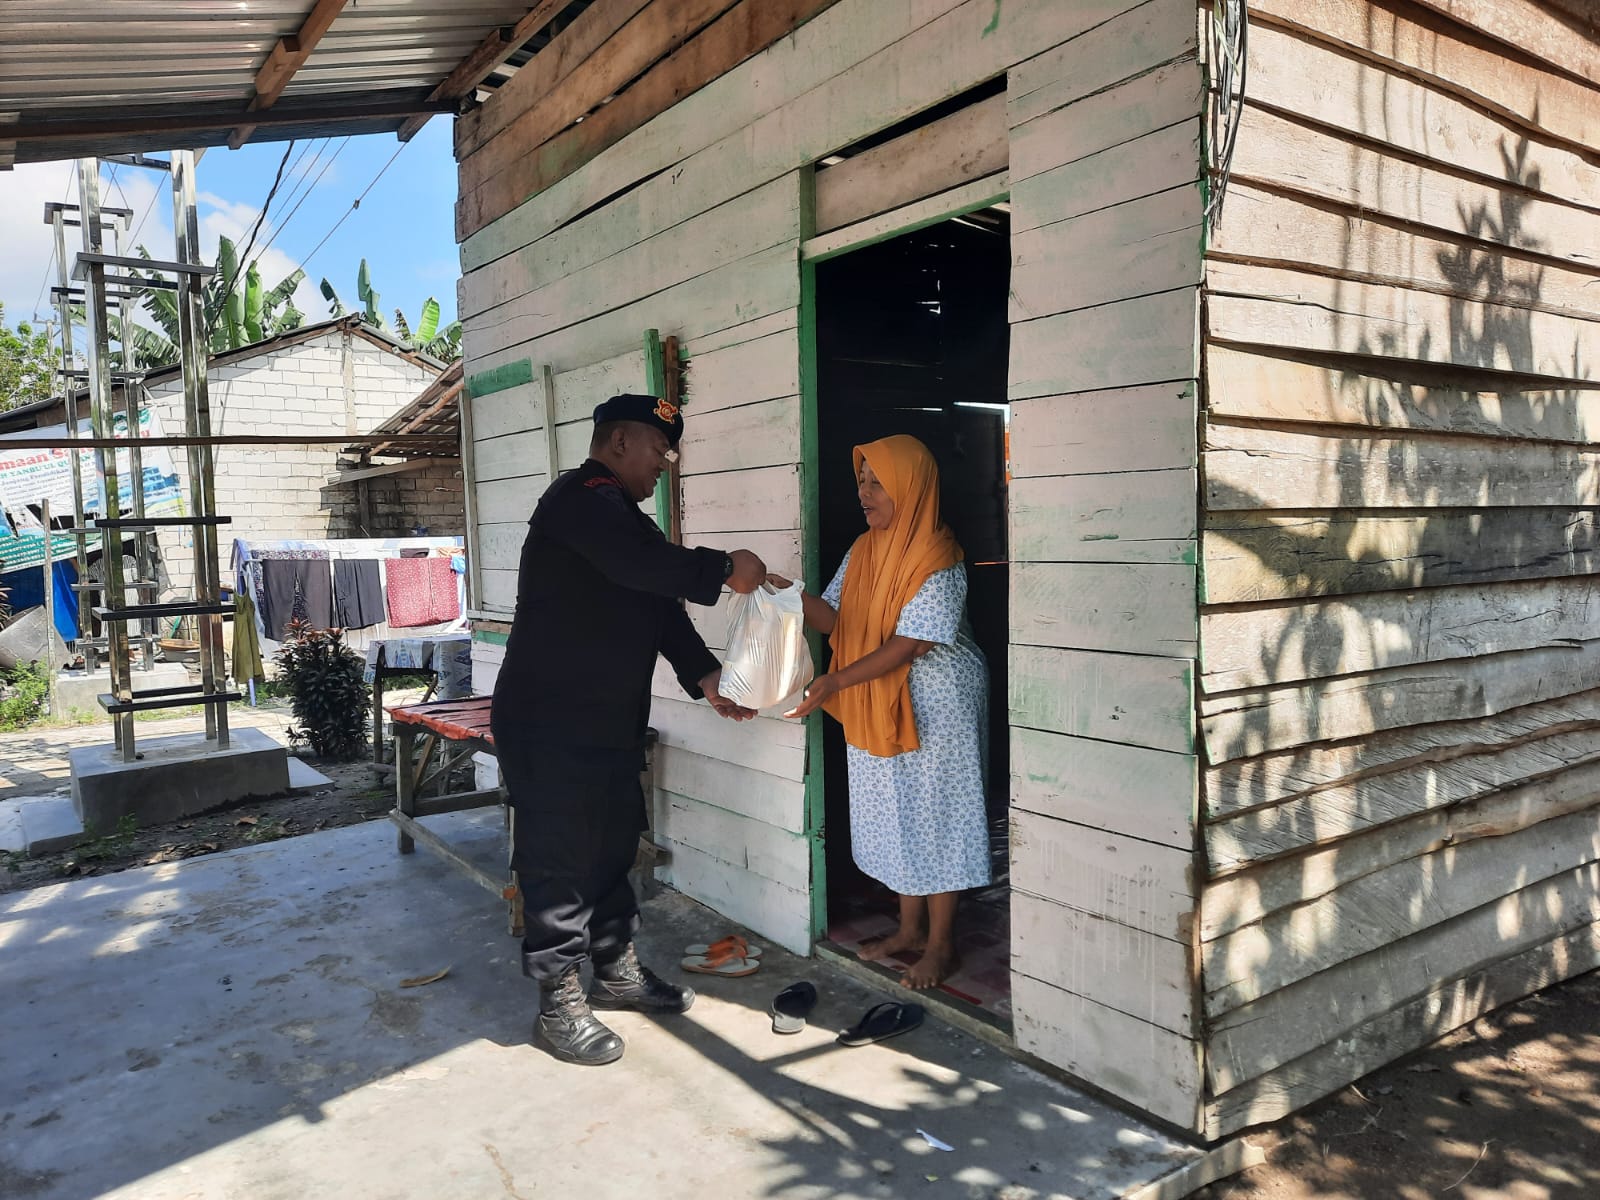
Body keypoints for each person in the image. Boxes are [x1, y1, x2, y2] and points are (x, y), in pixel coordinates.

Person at [491, 392, 766, 1066]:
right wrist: (724, 569)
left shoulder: (622, 519)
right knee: (559, 861)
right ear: (618, 441)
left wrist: (705, 675)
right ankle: (557, 1003)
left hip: (607, 721)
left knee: (614, 846)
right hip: (549, 721)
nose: (666, 464)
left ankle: (615, 972)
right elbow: (640, 567)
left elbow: (657, 603)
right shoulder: (579, 501)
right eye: (659, 449)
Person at [777, 434, 989, 989]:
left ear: (911, 487)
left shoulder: (938, 557)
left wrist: (835, 681)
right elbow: (834, 618)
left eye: (877, 483)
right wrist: (782, 594)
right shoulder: (864, 550)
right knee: (898, 813)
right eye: (861, 482)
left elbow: (910, 644)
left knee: (939, 817)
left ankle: (941, 946)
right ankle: (909, 929)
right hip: (877, 699)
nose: (864, 493)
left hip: (939, 704)